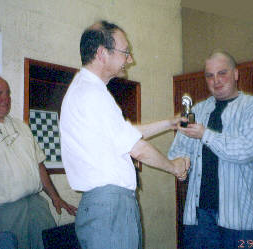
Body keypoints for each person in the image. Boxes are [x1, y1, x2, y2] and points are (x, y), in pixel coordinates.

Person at [60, 20, 190, 249]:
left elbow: (126, 134)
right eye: (125, 52)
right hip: (110, 207)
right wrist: (174, 167)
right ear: (102, 53)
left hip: (105, 207)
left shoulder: (85, 90)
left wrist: (169, 123)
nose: (130, 60)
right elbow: (136, 147)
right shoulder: (92, 94)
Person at [0, 73, 77, 249]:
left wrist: (55, 197)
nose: (6, 99)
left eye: (8, 93)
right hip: (2, 213)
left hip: (37, 207)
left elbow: (39, 165)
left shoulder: (22, 127)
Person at [168, 50, 253, 249]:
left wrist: (205, 134)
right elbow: (178, 151)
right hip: (199, 220)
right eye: (210, 75)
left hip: (240, 222)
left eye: (222, 73)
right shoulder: (196, 111)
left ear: (236, 74)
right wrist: (181, 164)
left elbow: (247, 150)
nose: (216, 80)